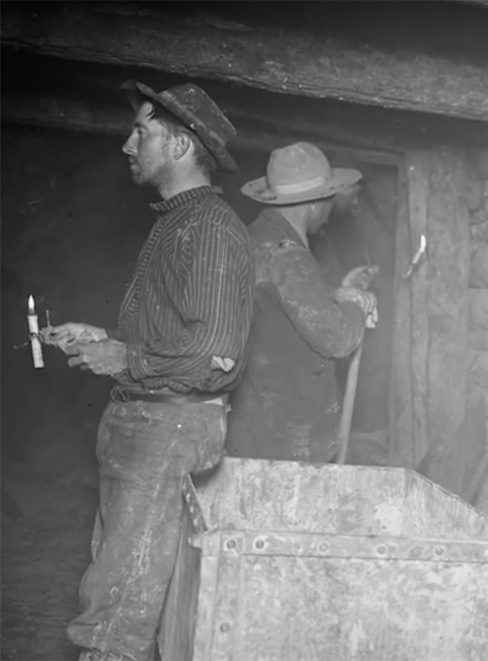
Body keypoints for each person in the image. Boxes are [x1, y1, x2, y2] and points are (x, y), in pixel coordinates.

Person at [45, 81, 253, 661]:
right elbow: (179, 338)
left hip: (167, 429)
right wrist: (108, 340)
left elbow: (216, 354)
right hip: (147, 424)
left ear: (182, 146)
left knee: (118, 613)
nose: (127, 143)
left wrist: (124, 358)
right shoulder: (175, 223)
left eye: (142, 130)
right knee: (116, 589)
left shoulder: (208, 227)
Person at [226, 141, 378, 463]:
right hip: (287, 438)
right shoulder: (288, 254)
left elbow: (278, 303)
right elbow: (338, 339)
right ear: (314, 203)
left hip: (251, 423)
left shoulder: (253, 238)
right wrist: (355, 305)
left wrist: (338, 292)